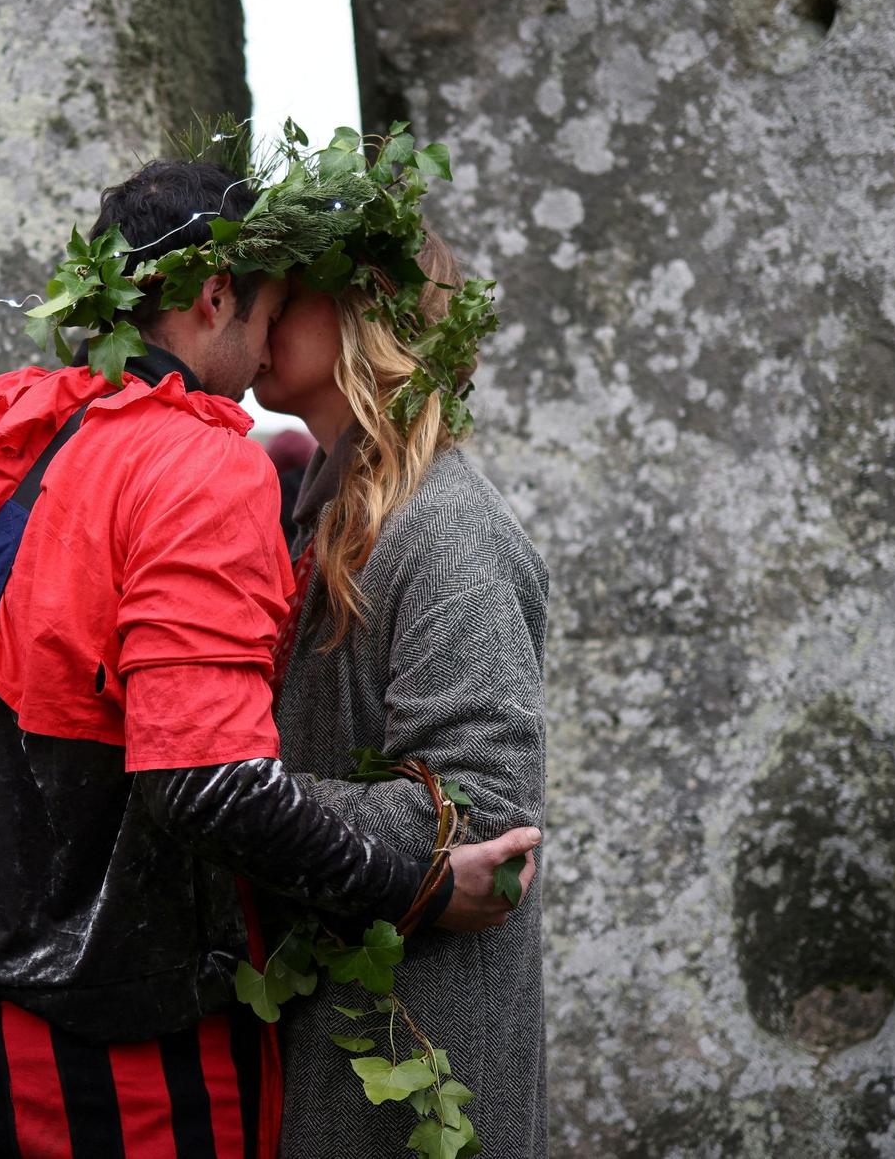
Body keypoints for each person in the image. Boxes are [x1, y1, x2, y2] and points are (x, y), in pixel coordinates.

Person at [0, 162, 539, 1158]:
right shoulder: (200, 464)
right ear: (217, 297)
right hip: (98, 1030)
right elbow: (202, 780)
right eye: (271, 288)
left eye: (300, 291)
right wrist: (405, 868)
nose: (271, 321)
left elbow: (489, 816)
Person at [254, 236, 550, 1158]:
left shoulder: (448, 531)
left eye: (288, 285)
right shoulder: (337, 512)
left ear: (362, 314)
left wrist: (231, 797)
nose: (260, 305)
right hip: (330, 1050)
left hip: (414, 1091)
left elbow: (485, 825)